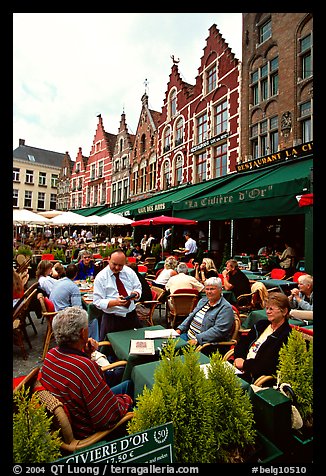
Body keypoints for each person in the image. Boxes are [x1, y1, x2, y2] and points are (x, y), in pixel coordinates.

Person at [40, 306, 133, 439]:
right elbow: (107, 418)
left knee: (129, 383)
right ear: (83, 333)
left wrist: (87, 354)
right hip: (89, 432)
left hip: (77, 413)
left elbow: (83, 385)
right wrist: (126, 400)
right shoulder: (84, 367)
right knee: (133, 392)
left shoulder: (51, 354)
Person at [232, 292, 292, 383]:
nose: (267, 312)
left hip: (256, 378)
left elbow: (269, 365)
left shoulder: (286, 335)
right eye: (267, 308)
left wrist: (244, 364)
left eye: (271, 309)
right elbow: (243, 343)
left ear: (284, 311)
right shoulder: (261, 325)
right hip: (239, 367)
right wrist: (238, 357)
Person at [93, 249, 142, 340]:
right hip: (112, 320)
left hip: (131, 317)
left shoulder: (129, 272)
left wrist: (136, 293)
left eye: (120, 265)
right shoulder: (101, 277)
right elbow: (97, 301)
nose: (117, 268)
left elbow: (138, 287)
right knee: (108, 349)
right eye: (114, 264)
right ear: (108, 260)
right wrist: (115, 302)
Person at [175, 276, 234, 347]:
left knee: (171, 351)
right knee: (165, 345)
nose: (209, 292)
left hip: (203, 344)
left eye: (212, 289)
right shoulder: (203, 301)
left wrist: (197, 339)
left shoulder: (225, 308)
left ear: (220, 290)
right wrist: (180, 329)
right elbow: (191, 316)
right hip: (187, 335)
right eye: (207, 289)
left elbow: (219, 331)